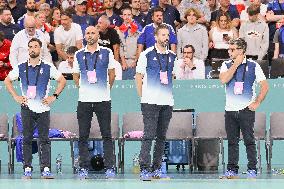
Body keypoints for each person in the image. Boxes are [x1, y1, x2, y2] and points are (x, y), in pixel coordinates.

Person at [4, 38, 66, 179]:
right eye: (30, 46)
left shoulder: (47, 66)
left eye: (35, 46)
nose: (33, 49)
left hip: (43, 109)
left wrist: (53, 96)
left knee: (44, 139)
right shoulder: (21, 66)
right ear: (28, 49)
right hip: (27, 108)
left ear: (40, 49)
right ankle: (27, 168)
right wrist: (16, 96)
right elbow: (7, 80)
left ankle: (45, 169)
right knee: (26, 139)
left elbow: (62, 80)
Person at [219, 38, 269, 179]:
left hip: (246, 110)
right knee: (232, 142)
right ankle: (232, 170)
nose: (229, 51)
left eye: (233, 49)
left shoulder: (254, 65)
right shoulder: (226, 64)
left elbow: (265, 86)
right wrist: (236, 64)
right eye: (229, 49)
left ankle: (252, 169)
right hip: (230, 110)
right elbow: (223, 80)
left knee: (249, 140)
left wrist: (257, 102)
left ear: (242, 50)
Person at [72, 26, 116, 179]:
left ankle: (110, 167)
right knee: (83, 135)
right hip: (84, 101)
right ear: (84, 36)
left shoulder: (107, 52)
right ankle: (83, 167)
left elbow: (112, 74)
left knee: (107, 135)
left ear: (98, 35)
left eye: (93, 33)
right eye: (88, 33)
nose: (90, 35)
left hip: (103, 100)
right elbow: (76, 76)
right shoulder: (78, 54)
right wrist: (84, 89)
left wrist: (105, 90)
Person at [135, 24, 176, 181]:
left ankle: (156, 168)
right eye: (163, 35)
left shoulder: (172, 56)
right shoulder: (146, 54)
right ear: (156, 37)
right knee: (149, 136)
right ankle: (144, 168)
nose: (166, 37)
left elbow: (173, 75)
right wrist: (143, 96)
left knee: (161, 137)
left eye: (167, 35)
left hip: (167, 102)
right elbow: (138, 77)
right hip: (150, 102)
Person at [118, 7, 141, 80]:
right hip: (124, 61)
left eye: (129, 14)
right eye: (125, 15)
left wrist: (136, 61)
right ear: (122, 16)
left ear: (132, 16)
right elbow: (120, 47)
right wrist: (123, 62)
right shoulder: (119, 30)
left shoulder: (138, 29)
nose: (127, 17)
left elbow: (139, 46)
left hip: (136, 61)